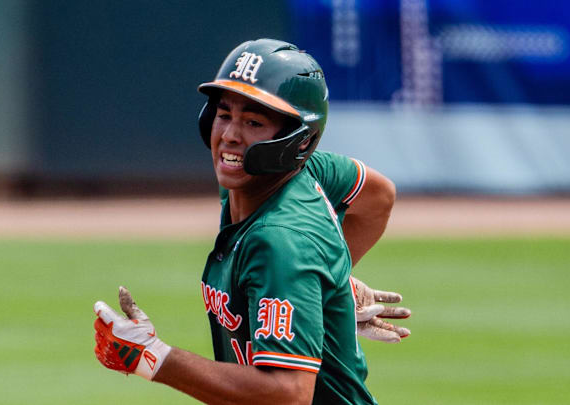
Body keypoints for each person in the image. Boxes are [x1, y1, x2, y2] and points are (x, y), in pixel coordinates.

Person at [93, 39, 409, 404]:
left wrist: (152, 358)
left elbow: (288, 394)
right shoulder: (300, 174)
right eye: (225, 114)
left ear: (300, 142)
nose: (230, 135)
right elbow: (378, 194)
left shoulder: (281, 244)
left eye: (253, 121)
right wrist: (326, 285)